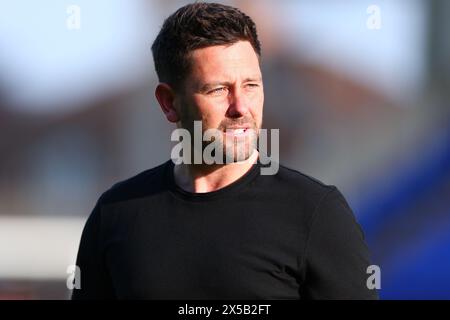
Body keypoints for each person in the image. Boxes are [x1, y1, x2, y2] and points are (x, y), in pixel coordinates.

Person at [72, 2, 378, 300]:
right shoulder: (116, 216)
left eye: (251, 86)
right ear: (168, 102)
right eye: (218, 89)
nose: (240, 107)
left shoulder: (316, 214)